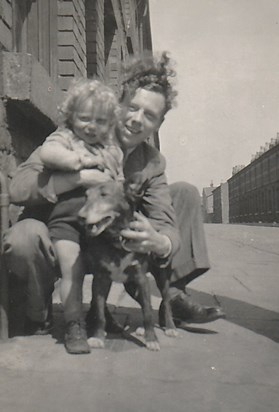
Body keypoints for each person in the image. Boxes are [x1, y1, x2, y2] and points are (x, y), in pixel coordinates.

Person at [3, 51, 224, 353]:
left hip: (108, 240)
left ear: (159, 124)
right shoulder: (82, 132)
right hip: (62, 233)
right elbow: (19, 187)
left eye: (149, 115)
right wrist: (77, 178)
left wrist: (160, 241)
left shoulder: (152, 161)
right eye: (132, 107)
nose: (136, 119)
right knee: (24, 236)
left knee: (184, 192)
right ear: (118, 105)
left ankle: (172, 295)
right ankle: (37, 312)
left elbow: (165, 221)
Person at [39, 78, 123, 354]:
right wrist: (80, 161)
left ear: (109, 123)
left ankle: (97, 316)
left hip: (99, 223)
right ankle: (74, 324)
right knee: (70, 270)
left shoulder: (111, 150)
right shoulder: (65, 138)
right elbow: (48, 154)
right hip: (67, 219)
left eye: (100, 121)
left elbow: (118, 184)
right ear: (71, 116)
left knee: (105, 268)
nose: (91, 126)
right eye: (84, 118)